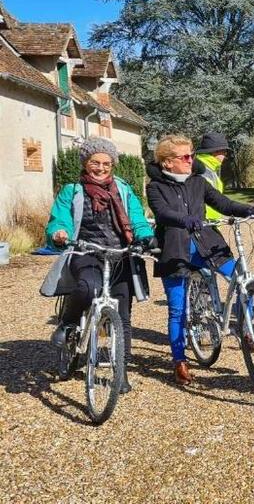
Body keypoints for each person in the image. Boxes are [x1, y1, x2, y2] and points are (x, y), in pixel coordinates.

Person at [146, 135, 254, 385]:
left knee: (243, 278)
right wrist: (184, 220)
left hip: (206, 243)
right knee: (177, 309)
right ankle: (179, 361)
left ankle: (247, 328)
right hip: (174, 249)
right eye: (185, 157)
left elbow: (223, 203)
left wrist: (252, 211)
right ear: (167, 162)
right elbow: (162, 212)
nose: (191, 160)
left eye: (191, 155)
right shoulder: (155, 186)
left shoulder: (198, 182)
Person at [43, 136, 154, 394]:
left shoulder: (123, 190)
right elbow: (59, 219)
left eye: (106, 163)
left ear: (112, 164)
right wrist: (59, 232)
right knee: (87, 288)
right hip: (86, 250)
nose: (101, 168)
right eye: (95, 162)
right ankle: (69, 323)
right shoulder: (72, 190)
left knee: (123, 317)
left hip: (120, 253)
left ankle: (121, 370)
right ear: (85, 162)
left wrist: (146, 236)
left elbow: (136, 218)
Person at [195, 131, 231, 220]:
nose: (225, 155)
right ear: (215, 151)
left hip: (211, 223)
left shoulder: (211, 168)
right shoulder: (201, 170)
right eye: (224, 151)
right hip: (203, 223)